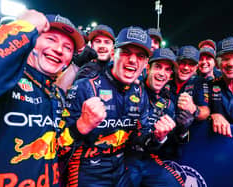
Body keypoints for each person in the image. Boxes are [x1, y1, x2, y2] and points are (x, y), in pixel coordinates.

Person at [63, 26, 175, 186]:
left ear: (145, 64)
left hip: (121, 169)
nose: (132, 60)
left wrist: (158, 137)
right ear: (112, 55)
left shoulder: (139, 92)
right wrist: (80, 127)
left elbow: (141, 140)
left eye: (140, 56)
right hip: (88, 171)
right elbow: (58, 146)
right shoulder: (85, 87)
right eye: (126, 52)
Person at [0, 10, 85, 186]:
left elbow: (57, 145)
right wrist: (23, 28)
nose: (58, 50)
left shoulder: (55, 93)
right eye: (51, 39)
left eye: (68, 48)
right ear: (32, 40)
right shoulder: (8, 80)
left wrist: (80, 128)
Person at [125, 48, 184, 187]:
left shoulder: (168, 103)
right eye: (158, 67)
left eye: (167, 69)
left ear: (170, 75)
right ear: (148, 68)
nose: (162, 73)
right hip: (123, 156)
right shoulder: (131, 87)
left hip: (147, 158)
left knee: (174, 183)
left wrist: (162, 137)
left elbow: (162, 147)